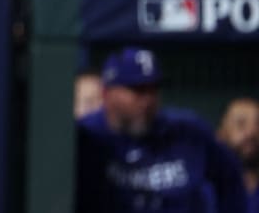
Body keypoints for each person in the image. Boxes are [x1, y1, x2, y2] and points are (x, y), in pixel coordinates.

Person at [76, 46, 247, 212]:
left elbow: (230, 180)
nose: (148, 100)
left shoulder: (188, 132)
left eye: (153, 89)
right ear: (107, 93)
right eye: (138, 90)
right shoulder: (86, 137)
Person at [218, 97, 259, 212]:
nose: (251, 132)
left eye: (258, 124)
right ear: (221, 134)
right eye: (241, 124)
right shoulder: (205, 192)